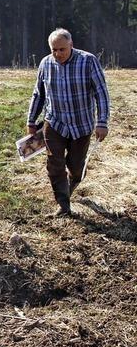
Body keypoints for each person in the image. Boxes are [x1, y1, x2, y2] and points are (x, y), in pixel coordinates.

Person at [26, 28, 110, 217]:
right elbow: (38, 94)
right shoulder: (45, 64)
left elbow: (101, 94)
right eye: (54, 50)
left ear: (71, 45)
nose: (58, 54)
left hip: (81, 125)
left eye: (62, 49)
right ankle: (63, 206)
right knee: (54, 163)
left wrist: (102, 122)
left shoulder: (88, 61)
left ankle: (74, 179)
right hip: (54, 122)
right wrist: (31, 120)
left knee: (75, 165)